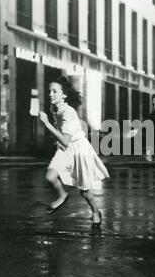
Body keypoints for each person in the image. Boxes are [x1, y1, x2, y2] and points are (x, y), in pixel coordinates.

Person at [38, 76, 110, 227]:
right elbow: (62, 137)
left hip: (78, 150)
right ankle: (62, 195)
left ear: (64, 94)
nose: (50, 94)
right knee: (50, 177)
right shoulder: (55, 107)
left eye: (54, 91)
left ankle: (96, 211)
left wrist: (46, 123)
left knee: (84, 191)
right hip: (64, 149)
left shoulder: (69, 112)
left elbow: (66, 139)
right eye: (49, 91)